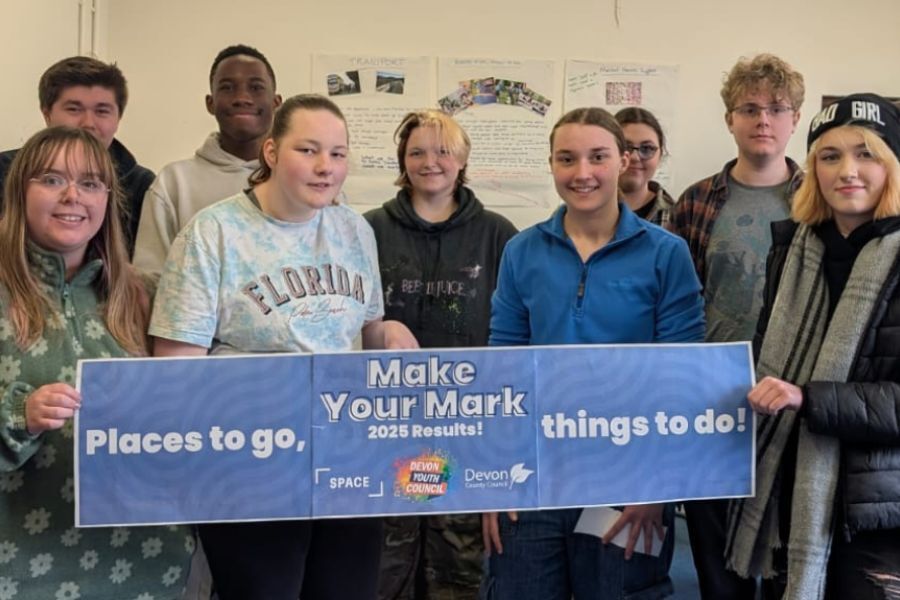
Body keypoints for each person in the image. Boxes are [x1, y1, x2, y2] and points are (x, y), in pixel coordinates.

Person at [149, 94, 419, 600]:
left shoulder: (355, 230)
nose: (325, 168)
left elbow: (364, 333)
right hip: (252, 468)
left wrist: (390, 333)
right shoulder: (214, 233)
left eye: (338, 154)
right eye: (309, 150)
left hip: (346, 463)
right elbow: (175, 363)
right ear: (271, 152)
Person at [482, 107, 704, 599]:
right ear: (552, 165)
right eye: (567, 158)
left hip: (630, 480)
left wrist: (655, 488)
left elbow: (682, 378)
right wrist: (494, 479)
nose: (582, 173)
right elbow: (504, 371)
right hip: (535, 473)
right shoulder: (521, 252)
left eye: (597, 157)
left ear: (623, 161)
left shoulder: (667, 254)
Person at [0, 126, 194, 598]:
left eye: (89, 183)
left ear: (107, 199)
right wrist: (18, 416)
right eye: (50, 179)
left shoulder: (148, 295)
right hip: (20, 569)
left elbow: (196, 408)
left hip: (148, 568)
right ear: (18, 190)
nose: (72, 196)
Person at [726, 93, 900, 600]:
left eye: (867, 153)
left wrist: (809, 398)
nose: (848, 170)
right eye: (830, 155)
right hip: (790, 493)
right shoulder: (793, 252)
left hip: (876, 515)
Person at [364, 110, 517, 599]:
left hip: (465, 426)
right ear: (402, 161)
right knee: (384, 565)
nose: (430, 162)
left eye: (443, 150)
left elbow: (514, 331)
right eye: (417, 152)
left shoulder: (498, 234)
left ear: (463, 159)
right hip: (385, 425)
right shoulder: (365, 230)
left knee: (457, 567)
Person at [672, 53, 805, 600]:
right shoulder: (697, 201)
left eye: (776, 108)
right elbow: (676, 304)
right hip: (712, 399)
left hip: (791, 399)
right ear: (729, 119)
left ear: (795, 118)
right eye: (748, 108)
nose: (763, 120)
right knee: (714, 558)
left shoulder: (817, 200)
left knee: (781, 557)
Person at [133, 44, 282, 281]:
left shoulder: (300, 179)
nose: (242, 98)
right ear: (210, 103)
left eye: (256, 88)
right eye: (227, 88)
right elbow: (150, 279)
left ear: (276, 102)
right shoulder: (174, 183)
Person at [0, 56, 154, 256]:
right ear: (47, 114)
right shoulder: (5, 168)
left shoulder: (143, 184)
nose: (88, 123)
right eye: (74, 109)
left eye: (102, 111)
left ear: (118, 119)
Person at [615, 107, 676, 229]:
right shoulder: (582, 213)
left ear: (661, 155)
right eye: (625, 147)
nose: (634, 157)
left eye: (647, 149)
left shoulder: (678, 218)